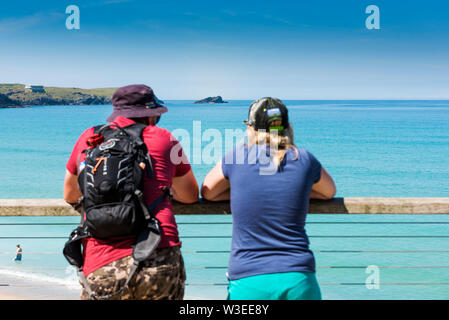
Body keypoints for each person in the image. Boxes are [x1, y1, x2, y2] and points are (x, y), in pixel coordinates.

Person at [63, 84, 199, 300]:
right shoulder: (165, 138)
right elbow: (190, 195)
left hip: (102, 259)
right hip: (158, 253)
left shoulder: (89, 138)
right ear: (151, 115)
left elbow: (70, 194)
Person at [201, 97, 336, 300]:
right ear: (287, 127)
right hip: (298, 277)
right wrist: (296, 191)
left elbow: (208, 192)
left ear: (251, 128)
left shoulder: (236, 157)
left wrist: (240, 190)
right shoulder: (304, 158)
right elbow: (329, 192)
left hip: (249, 278)